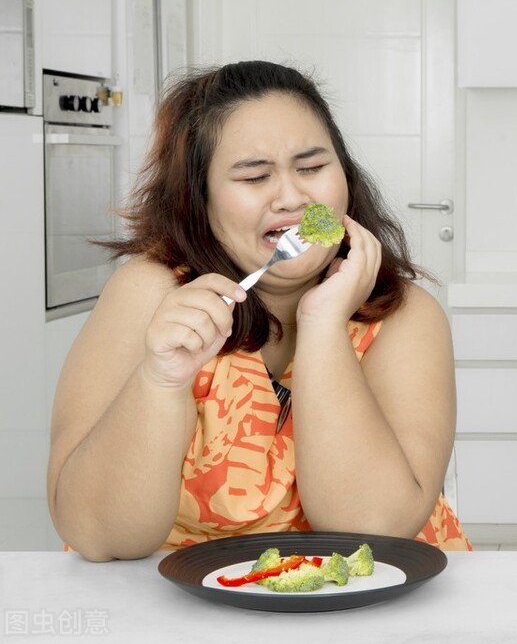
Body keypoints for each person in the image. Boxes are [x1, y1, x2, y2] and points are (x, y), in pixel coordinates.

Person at [48, 61, 469, 560]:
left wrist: (323, 323)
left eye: (313, 168)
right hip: (179, 609)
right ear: (198, 199)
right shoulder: (149, 295)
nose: (292, 196)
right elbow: (98, 536)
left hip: (373, 604)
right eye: (253, 176)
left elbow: (369, 531)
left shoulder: (407, 316)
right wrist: (159, 380)